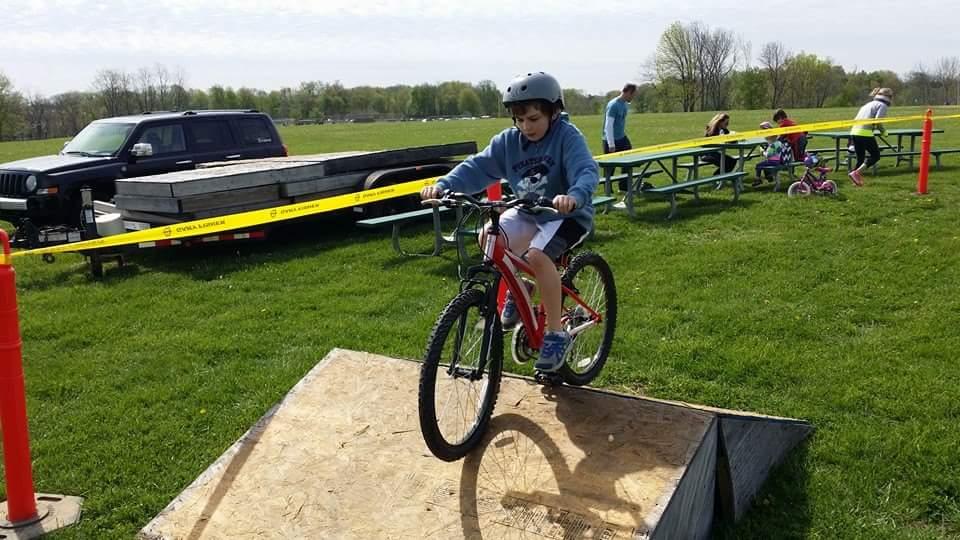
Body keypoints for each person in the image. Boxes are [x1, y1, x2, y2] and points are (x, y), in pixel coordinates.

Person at [421, 72, 599, 373]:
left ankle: (555, 333)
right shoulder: (508, 142)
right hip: (529, 211)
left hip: (566, 215)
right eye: (519, 119)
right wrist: (443, 186)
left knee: (538, 256)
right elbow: (477, 166)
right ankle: (523, 290)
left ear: (554, 112)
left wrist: (575, 195)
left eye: (533, 118)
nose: (526, 127)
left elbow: (585, 169)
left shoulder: (567, 137)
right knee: (489, 239)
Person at [848, 88, 893, 186]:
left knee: (860, 158)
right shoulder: (882, 105)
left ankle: (855, 181)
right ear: (889, 97)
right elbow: (877, 121)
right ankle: (856, 173)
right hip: (865, 133)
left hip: (854, 131)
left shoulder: (868, 104)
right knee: (876, 155)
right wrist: (883, 131)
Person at [754, 121, 786, 187]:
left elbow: (768, 155)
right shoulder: (778, 143)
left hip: (773, 161)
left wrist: (763, 152)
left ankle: (758, 179)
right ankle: (769, 177)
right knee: (764, 163)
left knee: (758, 166)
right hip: (778, 161)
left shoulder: (772, 145)